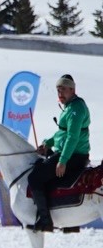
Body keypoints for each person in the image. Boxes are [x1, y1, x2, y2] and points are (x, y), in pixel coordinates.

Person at [30, 73, 91, 231]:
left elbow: (72, 137)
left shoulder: (76, 108)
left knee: (34, 177)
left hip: (73, 156)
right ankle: (68, 221)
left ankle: (45, 220)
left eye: (63, 89)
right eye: (58, 90)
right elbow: (62, 133)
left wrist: (62, 160)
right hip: (69, 153)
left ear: (72, 89)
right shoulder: (69, 107)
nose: (60, 93)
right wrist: (47, 143)